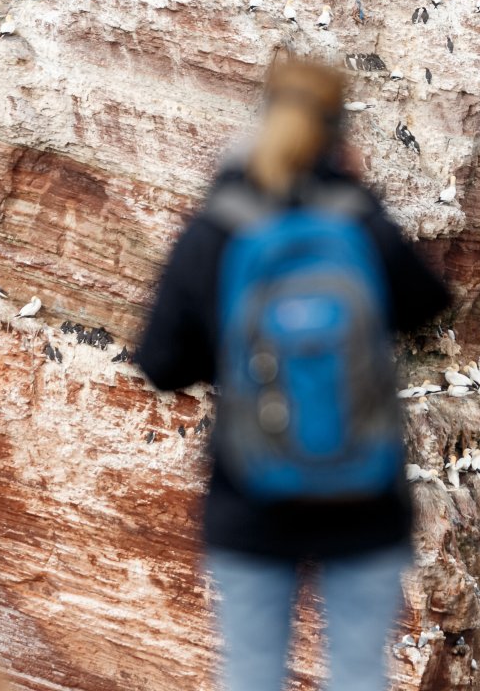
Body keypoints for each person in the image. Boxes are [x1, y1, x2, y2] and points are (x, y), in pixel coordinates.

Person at [137, 58, 450, 691]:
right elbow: (430, 305)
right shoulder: (357, 221)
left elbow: (162, 362)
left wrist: (235, 350)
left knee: (252, 674)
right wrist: (361, 202)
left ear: (264, 119)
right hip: (364, 493)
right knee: (359, 673)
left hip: (251, 492)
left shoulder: (220, 225)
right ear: (338, 129)